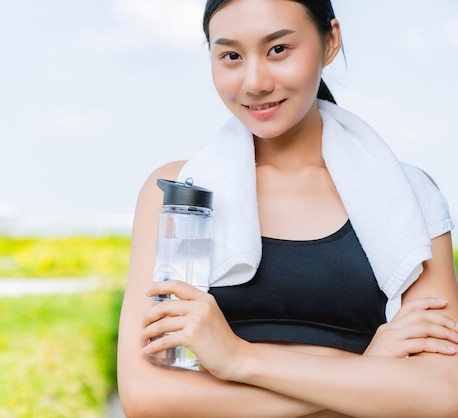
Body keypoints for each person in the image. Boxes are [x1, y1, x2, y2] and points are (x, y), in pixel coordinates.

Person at [117, 0, 458, 417]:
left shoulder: (410, 195)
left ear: (330, 41)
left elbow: (443, 393)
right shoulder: (180, 194)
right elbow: (147, 397)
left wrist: (238, 358)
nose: (254, 82)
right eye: (231, 56)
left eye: (278, 49)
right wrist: (366, 372)